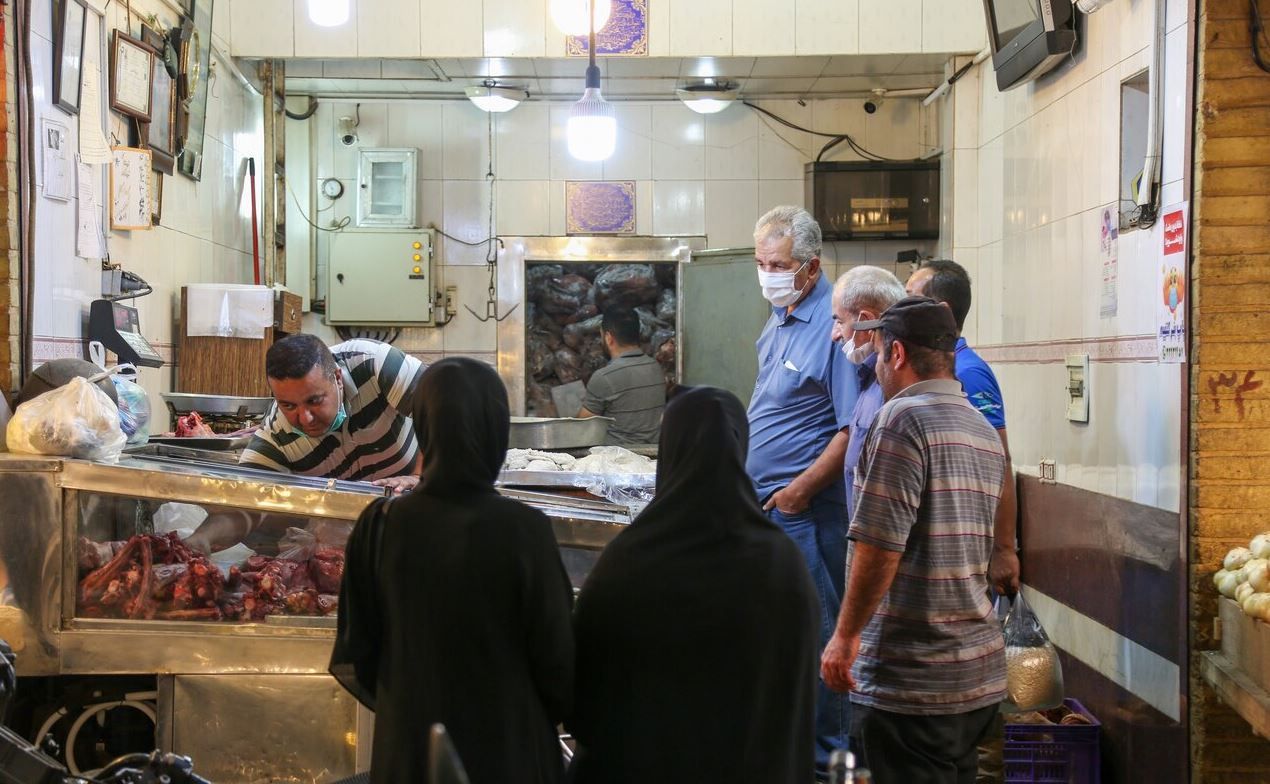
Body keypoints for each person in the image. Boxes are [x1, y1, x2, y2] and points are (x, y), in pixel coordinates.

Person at [330, 358, 574, 784]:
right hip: (509, 751)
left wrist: (414, 700)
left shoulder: (380, 524)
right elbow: (557, 663)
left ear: (425, 427)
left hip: (410, 752)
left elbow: (358, 654)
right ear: (496, 431)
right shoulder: (525, 530)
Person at [570, 386, 818, 784]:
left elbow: (584, 699)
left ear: (670, 452)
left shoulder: (629, 563)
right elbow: (797, 709)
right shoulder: (780, 565)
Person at [821, 297, 1008, 784]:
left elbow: (880, 544)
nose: (878, 364)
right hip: (975, 674)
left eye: (880, 352)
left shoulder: (902, 420)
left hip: (914, 682)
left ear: (897, 354)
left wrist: (844, 637)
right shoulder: (982, 428)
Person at [746, 205, 858, 774]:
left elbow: (849, 428)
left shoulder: (833, 324)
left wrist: (799, 491)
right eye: (762, 262)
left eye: (780, 264)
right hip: (770, 507)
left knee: (823, 641)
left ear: (811, 267)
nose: (768, 273)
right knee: (786, 639)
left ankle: (829, 763)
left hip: (807, 514)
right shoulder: (781, 316)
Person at [184, 335, 426, 554]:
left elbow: (446, 405)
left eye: (314, 401)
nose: (305, 418)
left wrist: (420, 476)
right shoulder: (277, 433)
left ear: (338, 379)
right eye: (289, 406)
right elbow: (245, 504)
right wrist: (202, 539)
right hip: (350, 550)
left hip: (419, 520)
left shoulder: (373, 364)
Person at [905, 260, 1019, 596]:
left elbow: (1001, 461)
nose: (902, 304)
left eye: (911, 297)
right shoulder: (932, 368)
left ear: (942, 310)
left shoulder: (968, 373)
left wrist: (1003, 550)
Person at [829, 266, 907, 517]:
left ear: (865, 319)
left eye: (840, 322)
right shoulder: (869, 379)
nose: (835, 335)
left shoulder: (893, 386)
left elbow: (888, 499)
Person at [576, 308, 666, 446]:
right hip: (652, 456)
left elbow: (582, 425)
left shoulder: (604, 377)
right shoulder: (656, 367)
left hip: (616, 460)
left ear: (608, 338)